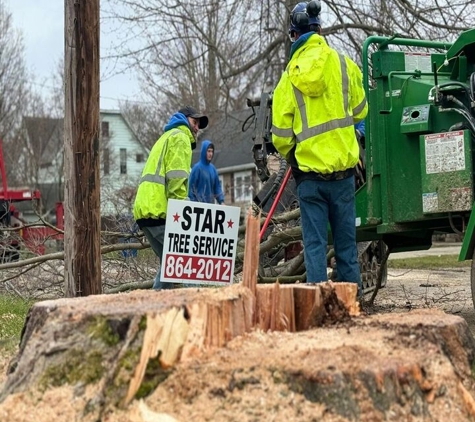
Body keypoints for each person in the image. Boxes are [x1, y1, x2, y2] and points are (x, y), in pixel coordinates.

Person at [271, 1, 368, 292]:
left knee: (314, 246)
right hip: (343, 176)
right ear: (319, 29)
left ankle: (316, 306)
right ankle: (353, 304)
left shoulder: (289, 78)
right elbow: (361, 110)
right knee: (346, 246)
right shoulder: (344, 64)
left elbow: (280, 136)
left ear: (293, 35)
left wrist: (295, 158)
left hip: (309, 179)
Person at [133, 105, 208, 290]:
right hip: (159, 210)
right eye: (194, 122)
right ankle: (196, 304)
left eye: (199, 124)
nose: (197, 127)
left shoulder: (165, 137)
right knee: (189, 259)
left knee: (169, 263)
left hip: (145, 210)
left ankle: (154, 309)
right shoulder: (180, 137)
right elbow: (176, 178)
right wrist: (184, 209)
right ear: (184, 119)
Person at [188, 140, 225, 204]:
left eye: (212, 151)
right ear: (204, 152)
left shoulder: (213, 169)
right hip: (198, 205)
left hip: (210, 206)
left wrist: (221, 201)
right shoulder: (197, 168)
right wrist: (193, 203)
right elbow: (190, 189)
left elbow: (217, 187)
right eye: (208, 151)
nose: (210, 154)